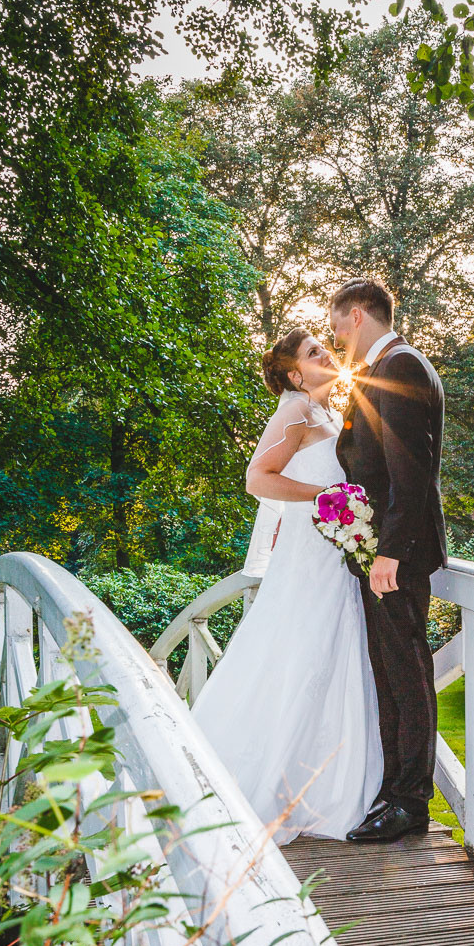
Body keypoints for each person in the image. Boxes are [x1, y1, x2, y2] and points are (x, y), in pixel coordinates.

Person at [191, 327, 382, 846]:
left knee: (333, 655)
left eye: (325, 346)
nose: (328, 354)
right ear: (296, 374)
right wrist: (327, 495)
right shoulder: (295, 410)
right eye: (315, 352)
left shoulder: (325, 412)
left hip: (333, 555)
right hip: (307, 557)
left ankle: (321, 784)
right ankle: (266, 779)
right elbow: (258, 478)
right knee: (298, 655)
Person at [330, 278, 448, 843]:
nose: (336, 340)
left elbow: (411, 472)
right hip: (379, 552)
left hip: (395, 556)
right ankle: (391, 788)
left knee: (406, 671)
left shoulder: (399, 366)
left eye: (337, 328)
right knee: (388, 672)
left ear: (356, 315)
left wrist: (390, 553)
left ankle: (410, 802)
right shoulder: (388, 366)